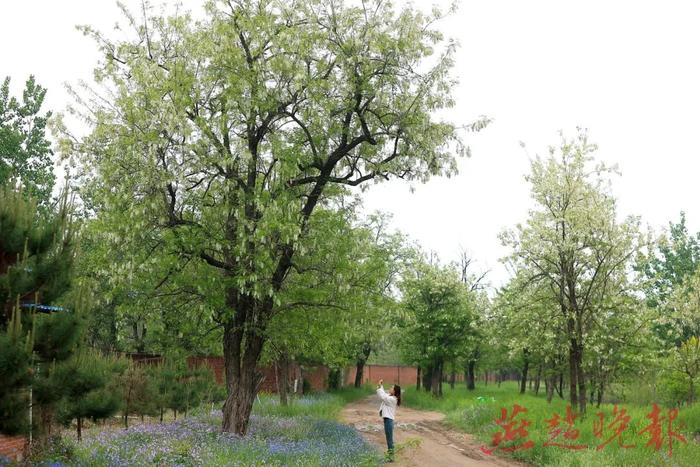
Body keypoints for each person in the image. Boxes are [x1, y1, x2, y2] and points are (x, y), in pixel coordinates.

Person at [376, 378, 401, 462]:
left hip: (389, 421)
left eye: (391, 388)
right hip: (387, 421)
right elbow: (384, 395)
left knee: (389, 440)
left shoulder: (393, 399)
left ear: (394, 391)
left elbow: (383, 396)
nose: (390, 389)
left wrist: (380, 386)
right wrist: (380, 385)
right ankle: (390, 456)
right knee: (389, 439)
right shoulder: (390, 397)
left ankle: (391, 457)